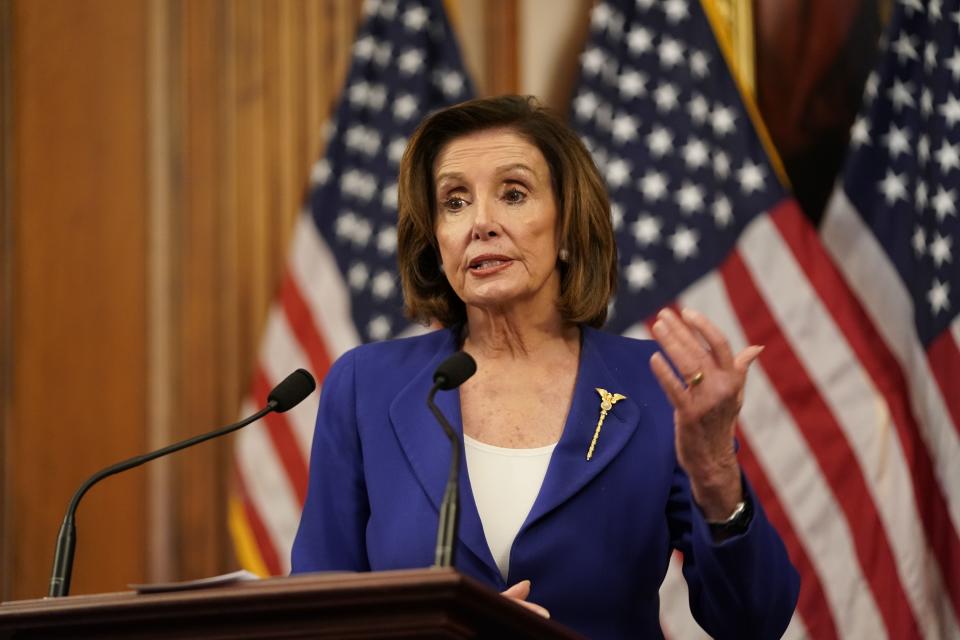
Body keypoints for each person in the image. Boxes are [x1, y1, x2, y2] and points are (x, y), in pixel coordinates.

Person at [291, 95, 800, 638]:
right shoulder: (366, 386)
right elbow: (316, 617)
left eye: (513, 194)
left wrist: (717, 472)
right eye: (455, 201)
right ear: (436, 241)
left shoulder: (655, 387)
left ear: (566, 227)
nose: (480, 223)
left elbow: (753, 622)